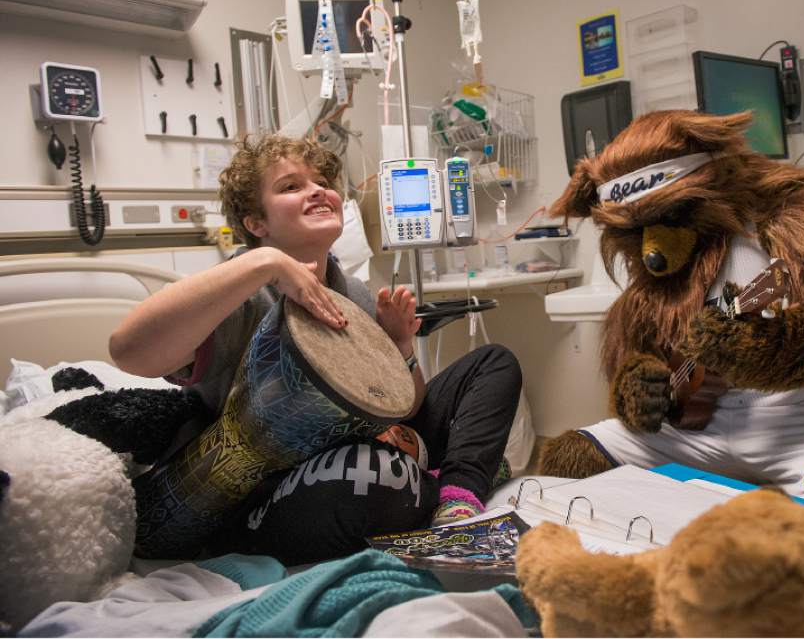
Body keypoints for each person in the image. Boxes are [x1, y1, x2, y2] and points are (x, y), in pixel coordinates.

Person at [109, 135, 520, 557]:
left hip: (372, 443)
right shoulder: (241, 296)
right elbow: (128, 350)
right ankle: (462, 469)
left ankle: (456, 499)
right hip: (275, 484)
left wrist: (401, 346)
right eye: (291, 186)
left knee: (494, 362)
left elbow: (408, 408)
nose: (318, 190)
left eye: (322, 181)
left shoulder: (354, 294)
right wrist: (265, 263)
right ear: (256, 223)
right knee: (374, 477)